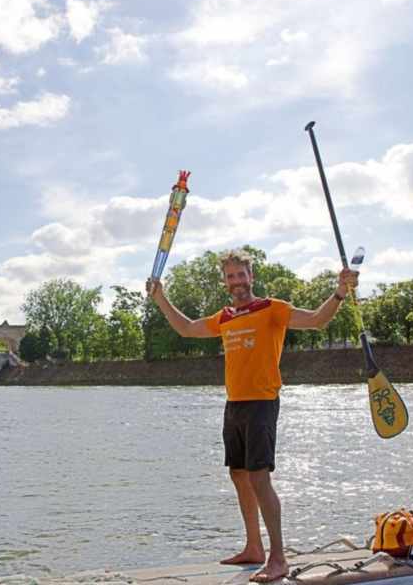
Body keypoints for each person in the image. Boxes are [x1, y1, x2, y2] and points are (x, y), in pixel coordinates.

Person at [146, 249, 358, 583]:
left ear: (251, 276)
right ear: (225, 281)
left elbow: (317, 320)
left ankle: (278, 558)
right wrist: (160, 298)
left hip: (262, 401)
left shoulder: (272, 308)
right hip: (235, 404)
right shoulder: (225, 316)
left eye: (241, 275)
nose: (236, 282)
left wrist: (340, 291)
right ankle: (253, 548)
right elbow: (186, 328)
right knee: (239, 475)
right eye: (230, 276)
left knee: (259, 478)